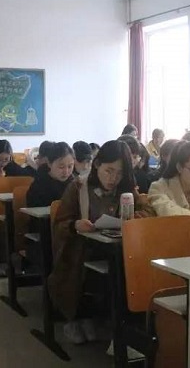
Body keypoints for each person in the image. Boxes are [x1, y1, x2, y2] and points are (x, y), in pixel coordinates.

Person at [48, 140, 148, 345]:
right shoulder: (79, 187)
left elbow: (146, 212)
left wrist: (134, 218)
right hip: (81, 251)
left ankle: (118, 320)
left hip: (119, 251)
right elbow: (59, 224)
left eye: (119, 173)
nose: (113, 178)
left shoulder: (127, 189)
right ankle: (80, 318)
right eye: (108, 171)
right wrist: (75, 225)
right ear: (97, 165)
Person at [26, 142, 75, 207]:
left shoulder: (73, 183)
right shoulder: (39, 184)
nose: (66, 172)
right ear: (49, 164)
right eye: (61, 167)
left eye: (70, 166)